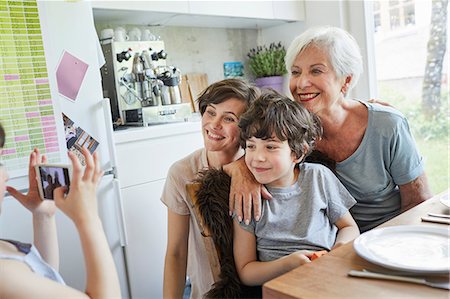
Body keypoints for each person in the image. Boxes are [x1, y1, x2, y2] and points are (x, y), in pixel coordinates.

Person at [229, 26, 433, 233]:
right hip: (328, 246)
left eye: (316, 70)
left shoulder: (387, 124)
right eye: (296, 72)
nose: (301, 83)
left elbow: (418, 201)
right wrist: (241, 171)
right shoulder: (289, 130)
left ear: (347, 80)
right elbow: (256, 152)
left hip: (389, 235)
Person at [233, 91, 359, 285]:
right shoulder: (247, 197)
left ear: (297, 154)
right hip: (283, 287)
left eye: (270, 147)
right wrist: (288, 264)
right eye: (251, 146)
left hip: (330, 274)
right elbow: (246, 272)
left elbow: (349, 227)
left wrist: (339, 248)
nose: (258, 157)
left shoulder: (318, 176)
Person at [161, 78, 260, 299]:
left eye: (229, 118)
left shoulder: (261, 166)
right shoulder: (182, 172)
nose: (214, 125)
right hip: (208, 290)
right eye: (210, 112)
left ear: (247, 128)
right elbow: (176, 252)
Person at [0, 123, 121, 298]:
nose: (6, 175)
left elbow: (44, 276)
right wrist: (88, 219)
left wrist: (43, 216)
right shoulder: (4, 276)